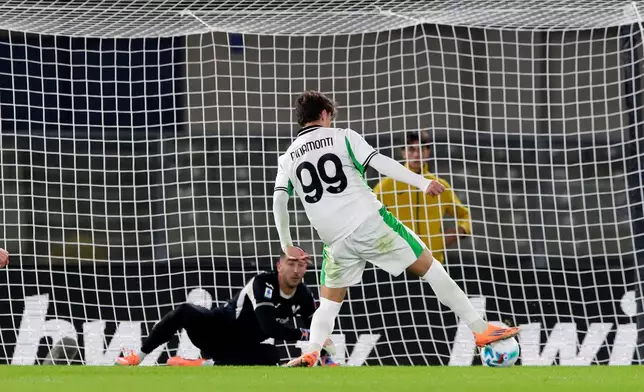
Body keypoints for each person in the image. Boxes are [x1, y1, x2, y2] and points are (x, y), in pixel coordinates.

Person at [272, 90, 520, 367]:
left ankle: (312, 351)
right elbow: (381, 163)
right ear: (324, 114)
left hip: (334, 240)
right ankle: (481, 329)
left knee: (329, 304)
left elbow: (279, 199)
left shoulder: (288, 157)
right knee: (431, 266)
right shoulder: (343, 136)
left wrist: (287, 244)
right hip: (369, 223)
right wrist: (422, 182)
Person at [116, 252, 337, 366]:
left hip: (241, 348)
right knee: (185, 311)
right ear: (280, 266)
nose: (296, 270)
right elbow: (269, 327)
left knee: (272, 355)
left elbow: (315, 328)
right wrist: (304, 335)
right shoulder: (263, 283)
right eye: (291, 263)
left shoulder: (304, 295)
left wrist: (326, 358)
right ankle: (139, 356)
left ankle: (203, 366)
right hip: (219, 330)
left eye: (301, 265)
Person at [373, 130, 471, 263]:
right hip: (398, 263)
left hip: (433, 262)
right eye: (411, 149)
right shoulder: (387, 185)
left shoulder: (440, 186)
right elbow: (368, 215)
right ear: (403, 152)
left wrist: (459, 232)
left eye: (421, 150)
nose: (416, 155)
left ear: (428, 152)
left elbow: (464, 214)